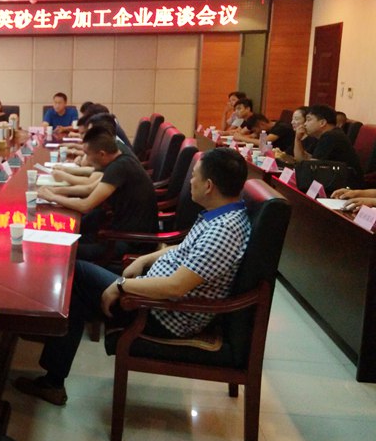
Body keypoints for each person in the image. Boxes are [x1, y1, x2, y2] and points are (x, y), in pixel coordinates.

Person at [15, 148, 251, 405]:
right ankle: (53, 351)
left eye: (194, 176)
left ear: (209, 186)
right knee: (78, 279)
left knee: (77, 274)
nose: (191, 181)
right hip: (154, 292)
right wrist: (143, 260)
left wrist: (122, 286)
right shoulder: (222, 213)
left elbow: (176, 287)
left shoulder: (223, 231)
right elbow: (182, 248)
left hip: (162, 313)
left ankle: (52, 372)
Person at [37, 127, 158, 262]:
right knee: (64, 236)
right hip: (117, 231)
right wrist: (55, 191)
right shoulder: (120, 159)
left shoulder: (119, 168)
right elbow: (90, 189)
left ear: (101, 154)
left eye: (87, 155)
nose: (87, 161)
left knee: (62, 251)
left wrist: (52, 197)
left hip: (130, 241)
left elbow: (85, 205)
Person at [293, 104, 363, 184]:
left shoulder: (331, 136)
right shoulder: (320, 135)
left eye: (309, 120)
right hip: (334, 180)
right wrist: (297, 139)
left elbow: (311, 168)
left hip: (348, 183)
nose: (305, 124)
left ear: (322, 123)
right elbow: (301, 159)